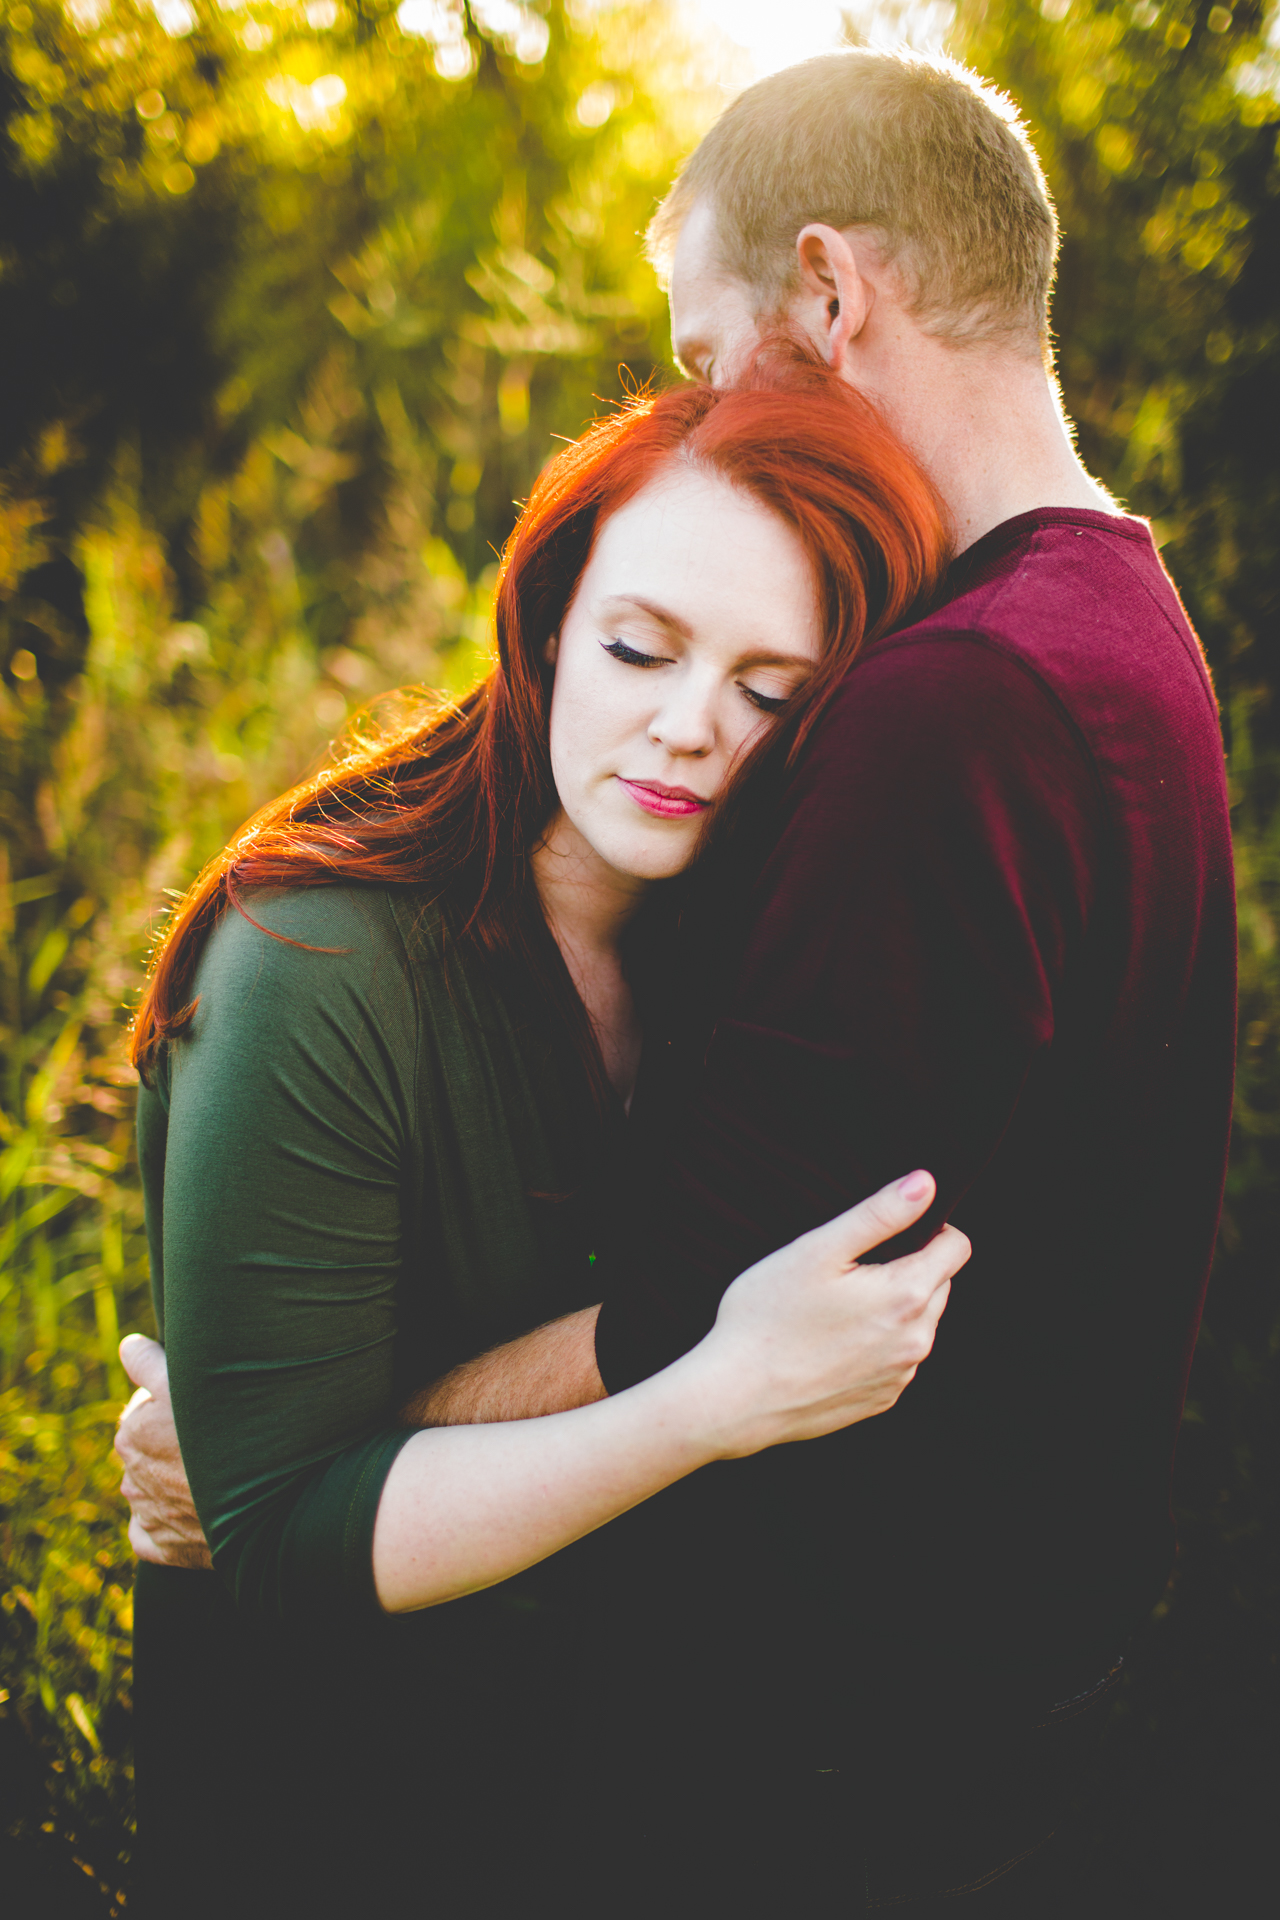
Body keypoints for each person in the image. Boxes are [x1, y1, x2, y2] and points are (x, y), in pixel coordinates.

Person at [122, 48, 1238, 1913]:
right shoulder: (1126, 623)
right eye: (641, 646)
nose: (716, 417)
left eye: (715, 361)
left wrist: (284, 1457)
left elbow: (689, 1309)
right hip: (919, 1693)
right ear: (555, 626)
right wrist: (274, 1440)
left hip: (865, 1743)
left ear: (828, 291)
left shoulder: (946, 701)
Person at [116, 370, 969, 1918]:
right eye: (643, 646)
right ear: (552, 618)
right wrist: (719, 1398)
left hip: (617, 1781)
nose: (691, 726)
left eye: (775, 691)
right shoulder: (315, 962)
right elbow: (284, 1547)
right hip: (334, 1814)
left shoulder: (755, 957)